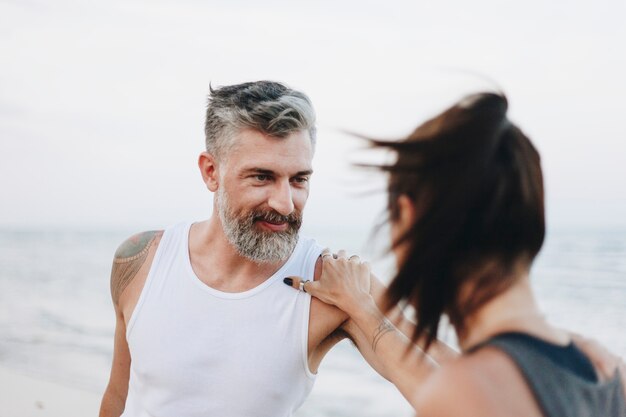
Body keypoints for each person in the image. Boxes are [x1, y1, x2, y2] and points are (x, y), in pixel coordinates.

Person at [99, 80, 456, 417]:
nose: (286, 204)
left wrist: (363, 309)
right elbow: (119, 395)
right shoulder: (141, 259)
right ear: (211, 172)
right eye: (262, 177)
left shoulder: (330, 285)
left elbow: (462, 397)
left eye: (299, 179)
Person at [285, 92, 626, 416]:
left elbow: (470, 389)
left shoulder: (463, 396)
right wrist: (367, 309)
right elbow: (489, 374)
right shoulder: (603, 368)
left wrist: (368, 312)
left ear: (408, 216)